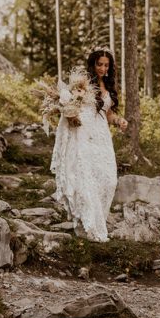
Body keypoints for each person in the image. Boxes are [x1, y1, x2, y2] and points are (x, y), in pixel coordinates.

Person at [50, 47, 128, 242]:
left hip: (102, 135)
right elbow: (70, 105)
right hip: (83, 133)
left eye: (106, 65)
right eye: (99, 64)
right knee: (86, 175)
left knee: (109, 179)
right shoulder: (82, 84)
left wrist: (119, 121)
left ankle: (96, 219)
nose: (102, 68)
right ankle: (87, 225)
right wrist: (70, 113)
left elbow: (108, 114)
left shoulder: (108, 87)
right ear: (93, 64)